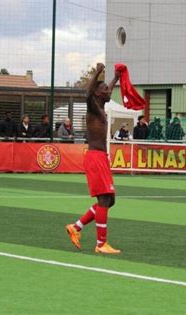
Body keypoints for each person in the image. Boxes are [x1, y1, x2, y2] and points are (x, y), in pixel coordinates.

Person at [66, 62, 121, 254]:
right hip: (95, 157)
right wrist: (97, 71)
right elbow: (88, 94)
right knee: (104, 199)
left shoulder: (101, 104)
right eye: (105, 89)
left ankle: (76, 227)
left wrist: (116, 77)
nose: (109, 91)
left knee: (109, 200)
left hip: (101, 157)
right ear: (98, 93)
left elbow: (107, 90)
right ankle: (100, 244)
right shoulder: (92, 106)